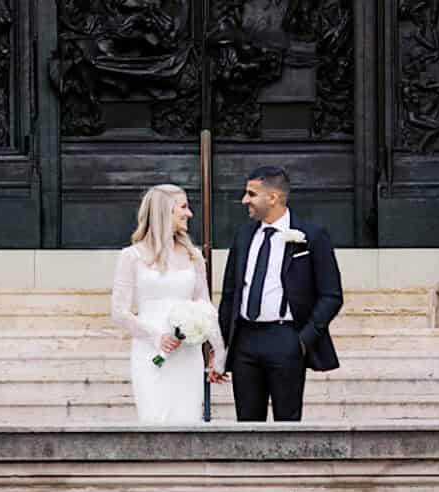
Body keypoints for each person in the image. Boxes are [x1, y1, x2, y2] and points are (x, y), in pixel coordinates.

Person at [216, 165, 343, 423]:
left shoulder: (312, 236)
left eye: (251, 194)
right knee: (247, 423)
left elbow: (331, 295)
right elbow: (230, 293)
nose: (244, 200)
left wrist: (303, 339)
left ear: (272, 198)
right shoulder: (243, 235)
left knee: (288, 422)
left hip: (286, 338)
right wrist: (219, 346)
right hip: (245, 341)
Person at [112, 182, 225, 425]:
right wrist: (156, 336)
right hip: (150, 352)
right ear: (165, 211)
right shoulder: (131, 256)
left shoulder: (194, 256)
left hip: (188, 354)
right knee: (154, 418)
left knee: (188, 419)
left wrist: (218, 353)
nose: (189, 214)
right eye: (183, 207)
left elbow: (205, 306)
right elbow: (119, 312)